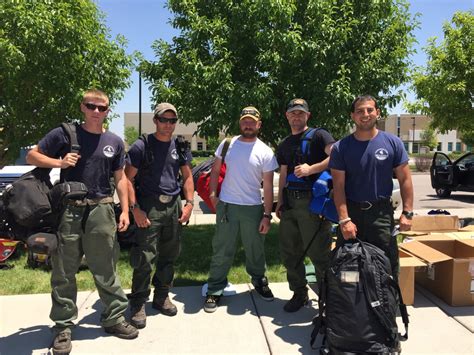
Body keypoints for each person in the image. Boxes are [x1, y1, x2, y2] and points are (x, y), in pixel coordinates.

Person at [26, 89, 138, 355]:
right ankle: (63, 326)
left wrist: (124, 211)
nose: (97, 112)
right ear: (83, 107)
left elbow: (120, 178)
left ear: (108, 110)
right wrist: (59, 162)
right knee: (64, 270)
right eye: (92, 106)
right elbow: (32, 156)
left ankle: (113, 317)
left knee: (106, 266)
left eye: (103, 108)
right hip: (69, 210)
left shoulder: (114, 140)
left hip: (101, 208)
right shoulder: (65, 134)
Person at [125, 102, 194, 328]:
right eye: (163, 120)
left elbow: (187, 176)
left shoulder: (180, 145)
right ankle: (138, 301)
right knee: (145, 256)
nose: (167, 125)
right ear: (155, 120)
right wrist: (135, 209)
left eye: (172, 120)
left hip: (173, 206)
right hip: (149, 206)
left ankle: (162, 295)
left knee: (169, 254)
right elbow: (126, 179)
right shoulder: (141, 146)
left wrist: (189, 204)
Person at [203, 106, 278, 313]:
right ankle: (215, 289)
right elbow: (215, 170)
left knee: (255, 250)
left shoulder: (265, 151)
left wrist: (266, 215)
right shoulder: (227, 144)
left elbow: (268, 186)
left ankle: (259, 281)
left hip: (253, 208)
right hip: (227, 206)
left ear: (259, 124)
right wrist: (212, 195)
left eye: (252, 121)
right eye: (245, 121)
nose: (248, 124)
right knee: (222, 249)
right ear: (240, 122)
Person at [329, 94, 414, 277]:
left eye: (369, 110)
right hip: (352, 215)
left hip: (381, 214)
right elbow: (338, 187)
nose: (365, 114)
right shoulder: (341, 147)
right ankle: (352, 305)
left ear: (378, 113)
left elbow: (405, 180)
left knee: (387, 267)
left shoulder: (393, 143)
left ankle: (389, 305)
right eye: (359, 111)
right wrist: (344, 220)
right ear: (352, 115)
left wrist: (407, 213)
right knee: (349, 269)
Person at [275, 98, 335, 312]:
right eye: (293, 112)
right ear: (287, 115)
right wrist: (280, 202)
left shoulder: (320, 135)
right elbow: (283, 173)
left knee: (319, 254)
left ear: (307, 115)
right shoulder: (284, 143)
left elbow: (337, 155)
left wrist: (312, 169)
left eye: (301, 113)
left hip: (312, 203)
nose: (296, 116)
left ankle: (329, 299)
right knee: (290, 252)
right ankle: (299, 293)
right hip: (290, 202)